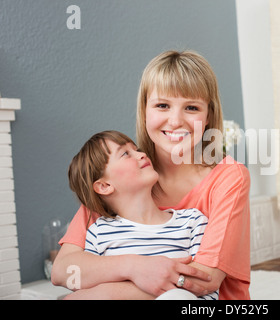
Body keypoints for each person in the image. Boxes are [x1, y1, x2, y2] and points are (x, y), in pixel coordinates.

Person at [51, 50, 251, 300]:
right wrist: (135, 267)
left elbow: (203, 280)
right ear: (145, 110)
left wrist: (103, 294)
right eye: (162, 105)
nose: (176, 120)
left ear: (208, 116)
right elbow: (62, 271)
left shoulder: (229, 178)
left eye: (191, 107)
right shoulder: (125, 180)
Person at [64, 130, 218, 300]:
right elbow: (85, 287)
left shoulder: (192, 222)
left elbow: (205, 291)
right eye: (125, 153)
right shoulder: (99, 233)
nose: (141, 154)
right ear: (104, 186)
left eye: (136, 149)